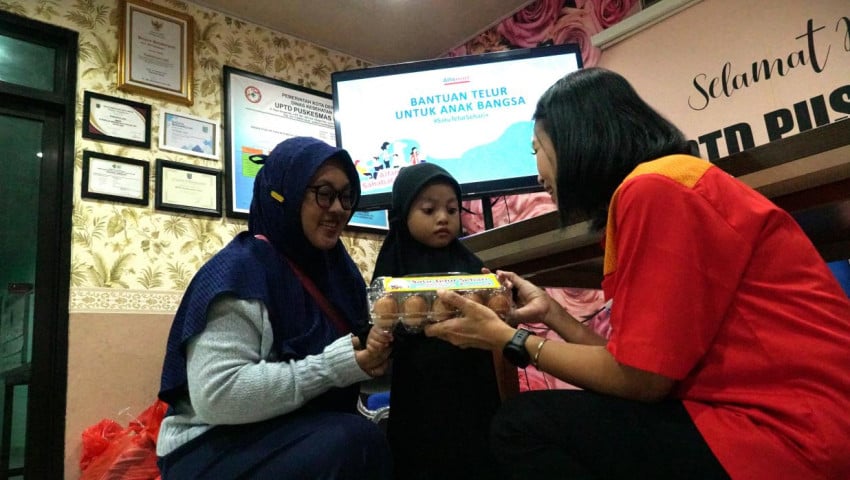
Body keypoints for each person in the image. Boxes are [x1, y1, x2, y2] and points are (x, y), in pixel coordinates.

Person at [424, 68, 850, 480]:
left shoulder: (655, 189)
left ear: (575, 139)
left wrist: (508, 339)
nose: (538, 174)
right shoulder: (666, 183)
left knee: (521, 425)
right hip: (790, 420)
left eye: (537, 149)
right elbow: (638, 366)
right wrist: (552, 313)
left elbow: (643, 381)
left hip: (793, 433)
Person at [156, 136, 394, 479]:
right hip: (208, 443)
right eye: (324, 193)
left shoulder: (338, 272)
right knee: (354, 443)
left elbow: (354, 355)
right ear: (284, 194)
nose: (339, 208)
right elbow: (217, 395)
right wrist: (335, 366)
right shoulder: (240, 272)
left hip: (286, 428)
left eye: (346, 196)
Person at [372, 163, 503, 480]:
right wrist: (378, 334)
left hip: (470, 380)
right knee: (422, 453)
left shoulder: (467, 260)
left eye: (452, 209)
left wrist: (496, 292)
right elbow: (380, 317)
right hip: (419, 385)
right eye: (429, 210)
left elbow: (491, 306)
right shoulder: (394, 261)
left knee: (475, 450)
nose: (443, 218)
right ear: (404, 214)